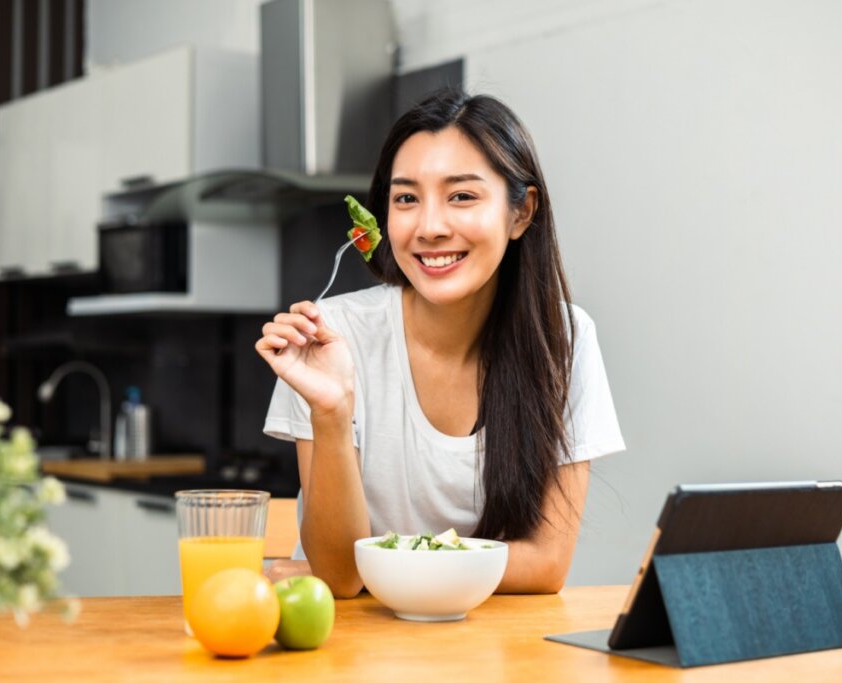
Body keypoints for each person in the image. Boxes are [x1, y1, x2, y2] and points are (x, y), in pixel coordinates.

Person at [256, 89, 625, 598]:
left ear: (521, 213)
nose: (429, 227)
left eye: (462, 196)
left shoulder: (564, 338)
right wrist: (333, 411)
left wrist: (380, 564)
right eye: (406, 198)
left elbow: (545, 565)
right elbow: (340, 577)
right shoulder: (329, 338)